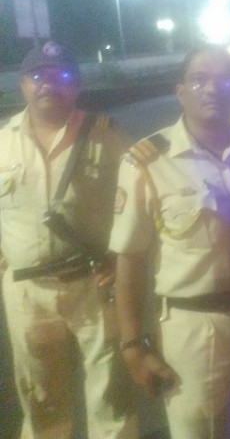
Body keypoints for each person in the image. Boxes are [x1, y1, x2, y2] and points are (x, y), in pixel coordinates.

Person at [109, 45, 230, 439]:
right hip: (194, 331)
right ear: (180, 91)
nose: (213, 89)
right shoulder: (148, 162)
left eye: (225, 80)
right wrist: (132, 345)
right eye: (200, 79)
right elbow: (128, 258)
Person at [0, 41, 136, 438]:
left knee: (111, 394)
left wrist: (122, 258)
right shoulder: (2, 141)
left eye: (59, 75)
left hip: (95, 283)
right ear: (23, 84)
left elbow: (136, 200)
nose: (48, 83)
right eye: (37, 75)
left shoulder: (106, 134)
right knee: (42, 398)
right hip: (27, 292)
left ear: (75, 85)